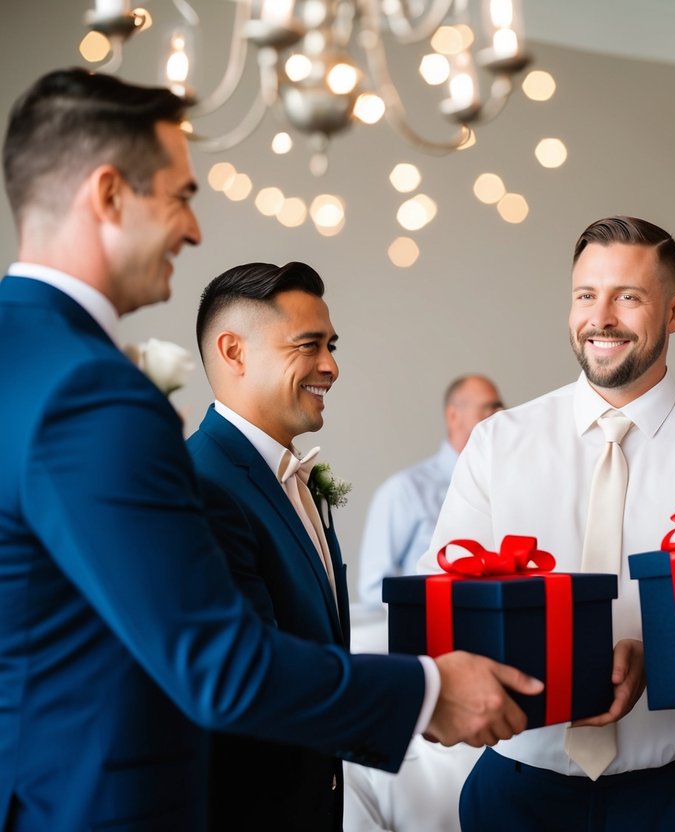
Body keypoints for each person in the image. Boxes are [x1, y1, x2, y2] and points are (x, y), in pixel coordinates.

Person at [0, 68, 539, 831]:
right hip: (100, 805)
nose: (193, 230)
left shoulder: (18, 354)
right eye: (181, 196)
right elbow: (217, 664)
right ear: (109, 193)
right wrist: (428, 691)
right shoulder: (91, 391)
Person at [417, 216, 675, 831]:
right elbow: (447, 603)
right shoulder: (495, 444)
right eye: (586, 295)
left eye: (628, 296)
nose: (601, 316)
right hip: (514, 795)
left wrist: (658, 654)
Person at [187, 261, 358, 830]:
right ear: (234, 352)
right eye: (309, 346)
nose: (331, 366)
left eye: (331, 345)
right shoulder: (204, 485)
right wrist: (423, 696)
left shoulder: (291, 477)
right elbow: (250, 678)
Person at [357, 374, 503, 609]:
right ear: (453, 416)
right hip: (431, 635)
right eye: (488, 410)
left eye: (499, 409)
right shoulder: (404, 490)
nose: (497, 419)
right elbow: (373, 587)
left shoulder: (505, 487)